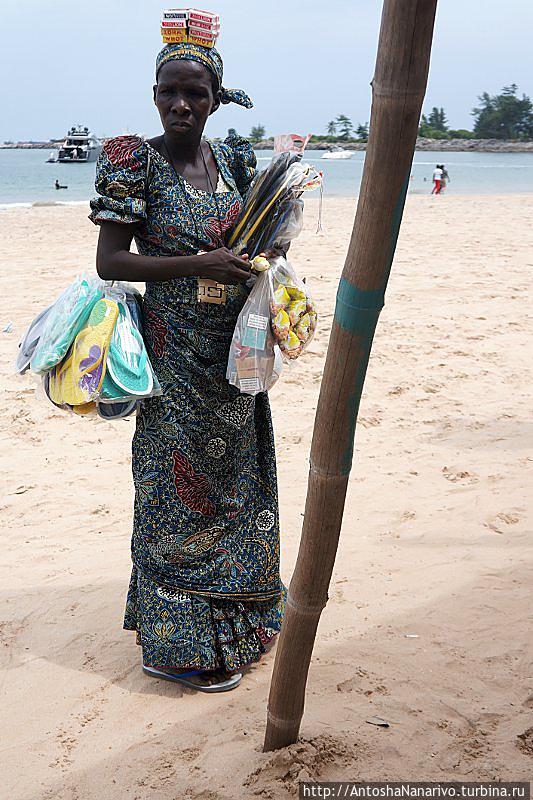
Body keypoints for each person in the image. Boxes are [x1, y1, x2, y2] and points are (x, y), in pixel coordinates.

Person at [89, 37, 285, 692]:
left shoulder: (234, 157)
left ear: (213, 101)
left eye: (194, 93)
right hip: (171, 359)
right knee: (174, 494)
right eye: (168, 91)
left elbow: (261, 238)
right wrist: (200, 263)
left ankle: (237, 628)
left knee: (234, 489)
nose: (180, 104)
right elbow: (111, 263)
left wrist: (273, 260)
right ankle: (173, 648)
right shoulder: (130, 161)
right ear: (154, 95)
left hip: (234, 354)